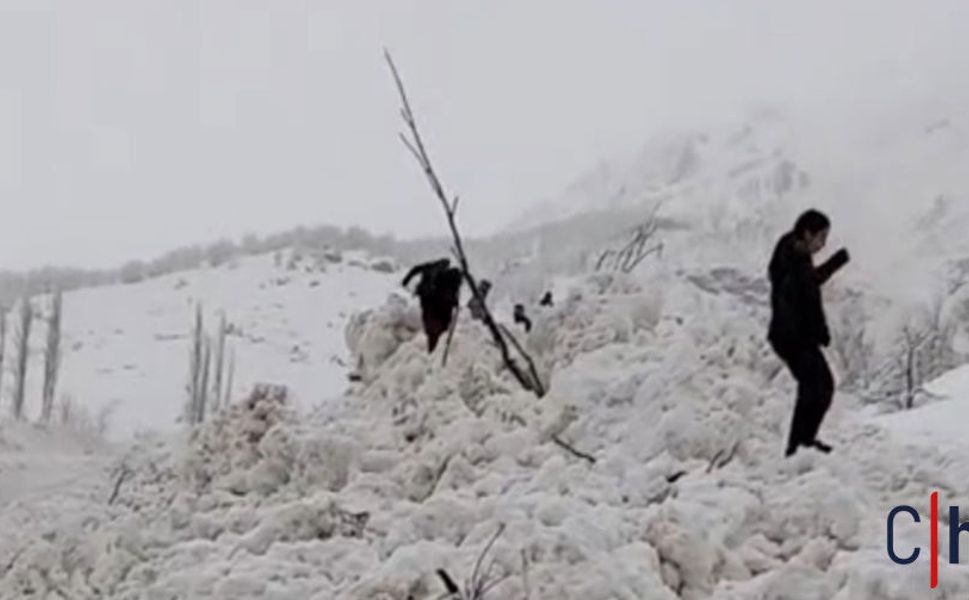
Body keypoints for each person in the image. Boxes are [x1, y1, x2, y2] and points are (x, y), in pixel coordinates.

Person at [767, 209, 850, 457]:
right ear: (807, 233)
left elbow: (809, 283)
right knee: (819, 387)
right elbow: (805, 297)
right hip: (793, 337)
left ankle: (802, 443)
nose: (823, 244)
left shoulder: (793, 252)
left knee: (816, 387)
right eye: (821, 237)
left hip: (792, 336)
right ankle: (799, 445)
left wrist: (835, 262)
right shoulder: (794, 264)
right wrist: (819, 331)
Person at [402, 258, 463, 353]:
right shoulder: (442, 275)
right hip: (434, 305)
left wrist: (405, 281)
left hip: (430, 303)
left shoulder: (434, 271)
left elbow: (415, 269)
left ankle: (433, 350)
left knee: (433, 330)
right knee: (436, 331)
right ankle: (433, 351)